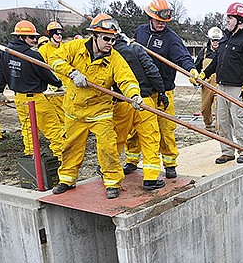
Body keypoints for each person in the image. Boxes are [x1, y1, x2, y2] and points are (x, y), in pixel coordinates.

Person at [50, 14, 142, 199]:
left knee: (108, 147)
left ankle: (112, 183)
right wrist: (72, 72)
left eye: (113, 39)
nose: (110, 43)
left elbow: (127, 79)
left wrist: (134, 95)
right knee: (70, 146)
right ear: (94, 36)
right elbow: (55, 59)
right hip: (74, 110)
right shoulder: (75, 48)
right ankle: (67, 179)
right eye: (106, 39)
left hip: (100, 111)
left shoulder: (115, 59)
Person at [133, 0, 200, 179]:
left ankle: (170, 163)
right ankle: (131, 160)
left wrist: (191, 70)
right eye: (158, 20)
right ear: (150, 17)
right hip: (142, 91)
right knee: (138, 128)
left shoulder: (171, 38)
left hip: (164, 91)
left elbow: (183, 56)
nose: (162, 24)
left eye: (165, 21)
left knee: (165, 129)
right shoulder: (140, 32)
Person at [202, 2, 243, 164]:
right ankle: (227, 151)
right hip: (221, 86)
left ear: (240, 20)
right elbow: (217, 61)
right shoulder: (225, 38)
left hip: (238, 88)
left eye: (230, 17)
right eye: (227, 17)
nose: (227, 20)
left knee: (239, 119)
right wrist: (204, 74)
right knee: (222, 121)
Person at [0, 21, 63, 159]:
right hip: (36, 98)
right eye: (31, 37)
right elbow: (46, 73)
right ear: (21, 37)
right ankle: (62, 157)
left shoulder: (6, 53)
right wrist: (58, 84)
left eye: (35, 37)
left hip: (20, 99)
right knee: (53, 129)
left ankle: (32, 156)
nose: (34, 40)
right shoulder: (32, 56)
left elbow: (0, 72)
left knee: (28, 130)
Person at [112, 37, 170, 191]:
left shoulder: (109, 54)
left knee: (116, 140)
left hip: (121, 102)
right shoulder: (136, 49)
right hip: (143, 101)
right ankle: (150, 178)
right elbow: (152, 71)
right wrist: (161, 91)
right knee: (150, 138)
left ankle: (109, 174)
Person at [194, 26, 223, 131]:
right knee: (205, 108)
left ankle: (219, 129)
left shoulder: (223, 52)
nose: (216, 42)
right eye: (214, 40)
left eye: (218, 40)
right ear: (210, 40)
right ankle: (208, 125)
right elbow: (196, 67)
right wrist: (195, 79)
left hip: (219, 84)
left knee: (219, 108)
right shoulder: (204, 52)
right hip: (206, 84)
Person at [38, 21, 68, 123]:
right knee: (59, 112)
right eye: (56, 33)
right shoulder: (43, 49)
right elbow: (42, 68)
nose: (59, 36)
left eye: (60, 33)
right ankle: (65, 133)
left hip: (68, 85)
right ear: (50, 34)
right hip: (54, 86)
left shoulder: (65, 47)